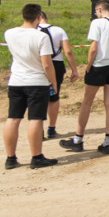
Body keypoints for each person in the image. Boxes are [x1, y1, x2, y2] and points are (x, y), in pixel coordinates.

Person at [60, 0, 109, 155]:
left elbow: (93, 48)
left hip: (98, 65)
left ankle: (78, 139)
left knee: (86, 102)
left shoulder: (97, 23)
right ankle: (107, 141)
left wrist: (88, 65)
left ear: (99, 9)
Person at [3, 4, 59, 169]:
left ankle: (10, 158)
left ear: (23, 16)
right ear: (38, 18)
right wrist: (53, 82)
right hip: (37, 82)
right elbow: (47, 65)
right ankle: (36, 157)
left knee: (13, 119)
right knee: (35, 119)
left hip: (16, 81)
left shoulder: (9, 33)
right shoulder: (41, 37)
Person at [38, 11, 79, 140]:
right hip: (56, 65)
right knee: (54, 97)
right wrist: (74, 70)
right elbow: (68, 51)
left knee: (39, 98)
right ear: (46, 18)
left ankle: (39, 130)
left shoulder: (32, 31)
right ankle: (51, 128)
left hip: (39, 64)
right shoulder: (59, 30)